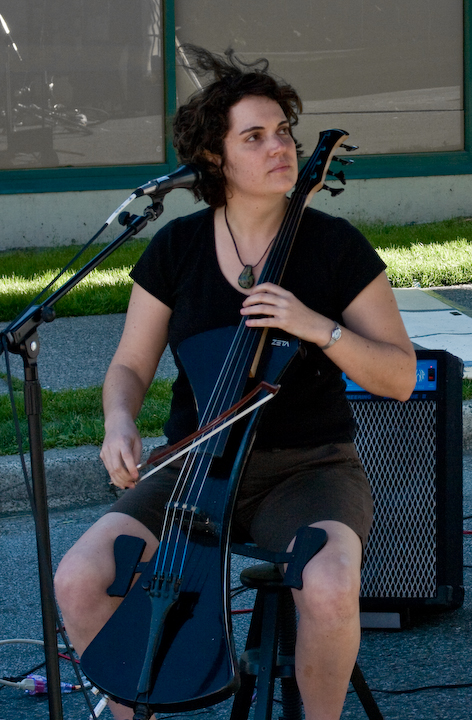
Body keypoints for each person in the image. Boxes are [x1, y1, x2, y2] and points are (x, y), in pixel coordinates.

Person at [54, 46, 416, 720]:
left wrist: (319, 327)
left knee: (329, 582)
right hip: (196, 466)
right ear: (215, 158)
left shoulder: (335, 247)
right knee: (79, 577)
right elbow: (130, 366)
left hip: (307, 470)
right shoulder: (177, 249)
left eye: (283, 131)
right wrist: (118, 422)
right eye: (255, 136)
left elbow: (399, 377)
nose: (278, 146)